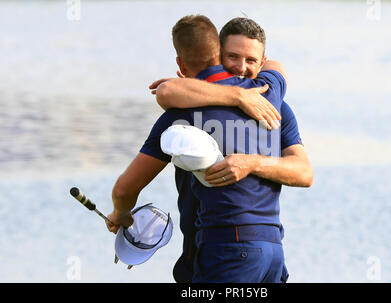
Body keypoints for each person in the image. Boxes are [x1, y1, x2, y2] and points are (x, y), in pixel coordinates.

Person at [107, 15, 312, 282]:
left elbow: (124, 189)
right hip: (270, 252)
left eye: (251, 60)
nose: (241, 68)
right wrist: (232, 94)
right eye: (233, 57)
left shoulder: (182, 114)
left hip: (224, 248)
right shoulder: (270, 98)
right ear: (218, 55)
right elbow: (276, 68)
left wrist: (121, 213)